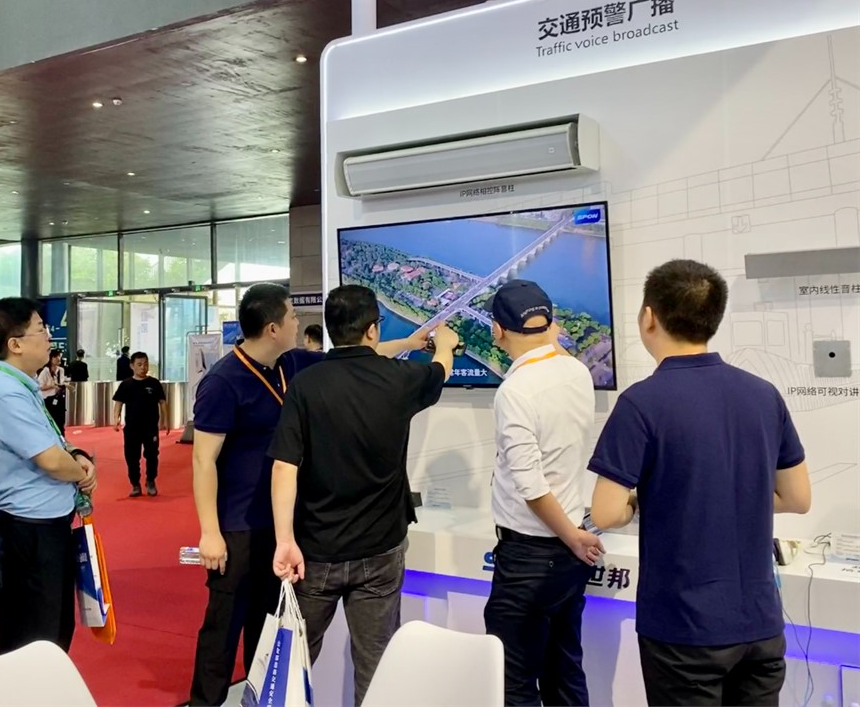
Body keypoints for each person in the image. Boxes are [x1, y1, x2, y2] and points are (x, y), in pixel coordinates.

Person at [188, 282, 425, 706]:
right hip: (238, 527)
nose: (299, 323)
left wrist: (409, 343)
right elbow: (203, 460)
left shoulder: (291, 364)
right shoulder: (223, 382)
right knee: (222, 630)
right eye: (293, 316)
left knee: (269, 631)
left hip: (285, 526)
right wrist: (210, 532)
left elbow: (362, 357)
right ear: (273, 328)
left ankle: (258, 697)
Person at [588, 259, 811, 707]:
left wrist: (642, 502)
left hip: (683, 630)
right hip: (761, 626)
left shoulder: (641, 403)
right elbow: (797, 497)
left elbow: (605, 513)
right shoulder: (763, 394)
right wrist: (731, 493)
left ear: (649, 317)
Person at [269, 286, 456, 706]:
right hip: (380, 550)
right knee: (376, 668)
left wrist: (285, 540)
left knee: (292, 664)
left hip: (315, 552)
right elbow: (439, 370)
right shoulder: (400, 379)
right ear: (372, 329)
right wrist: (443, 344)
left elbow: (284, 466)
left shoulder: (305, 384)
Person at [482, 279, 602, 707]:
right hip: (568, 557)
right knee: (565, 673)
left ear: (497, 330)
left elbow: (531, 486)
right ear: (550, 323)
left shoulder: (515, 391)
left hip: (530, 558)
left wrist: (572, 537)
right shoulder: (576, 371)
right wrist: (574, 538)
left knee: (512, 682)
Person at [0, 297, 98, 655]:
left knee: (53, 630)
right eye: (41, 330)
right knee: (32, 638)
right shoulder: (5, 392)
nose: (48, 338)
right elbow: (51, 461)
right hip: (27, 534)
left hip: (44, 529)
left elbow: (54, 444)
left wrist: (77, 455)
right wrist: (81, 474)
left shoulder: (21, 385)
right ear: (15, 344)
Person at [113, 351, 168, 497]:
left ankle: (150, 481)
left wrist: (166, 420)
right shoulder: (126, 384)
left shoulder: (154, 383)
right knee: (132, 457)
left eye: (145, 364)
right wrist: (116, 418)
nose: (143, 367)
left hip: (150, 428)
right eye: (139, 364)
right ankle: (135, 484)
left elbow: (162, 402)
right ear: (132, 366)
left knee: (152, 455)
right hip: (132, 428)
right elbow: (118, 403)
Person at [38, 349, 69, 435]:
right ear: (50, 359)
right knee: (51, 422)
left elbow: (61, 383)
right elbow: (39, 387)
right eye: (55, 356)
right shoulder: (45, 371)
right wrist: (51, 386)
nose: (58, 358)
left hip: (59, 398)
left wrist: (65, 385)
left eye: (59, 356)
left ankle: (61, 438)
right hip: (48, 400)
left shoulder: (61, 370)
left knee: (61, 421)